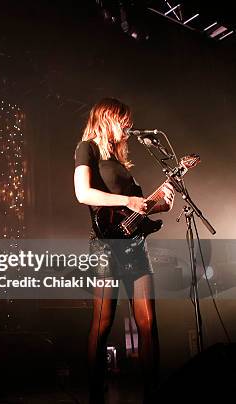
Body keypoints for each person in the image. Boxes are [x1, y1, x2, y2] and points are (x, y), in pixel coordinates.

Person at [73, 98, 175, 404]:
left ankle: (152, 393)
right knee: (103, 324)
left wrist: (161, 205)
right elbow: (83, 194)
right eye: (123, 119)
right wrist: (126, 201)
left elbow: (137, 212)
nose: (128, 126)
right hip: (106, 246)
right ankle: (94, 394)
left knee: (148, 323)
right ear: (106, 118)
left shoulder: (120, 165)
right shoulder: (87, 148)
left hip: (136, 247)